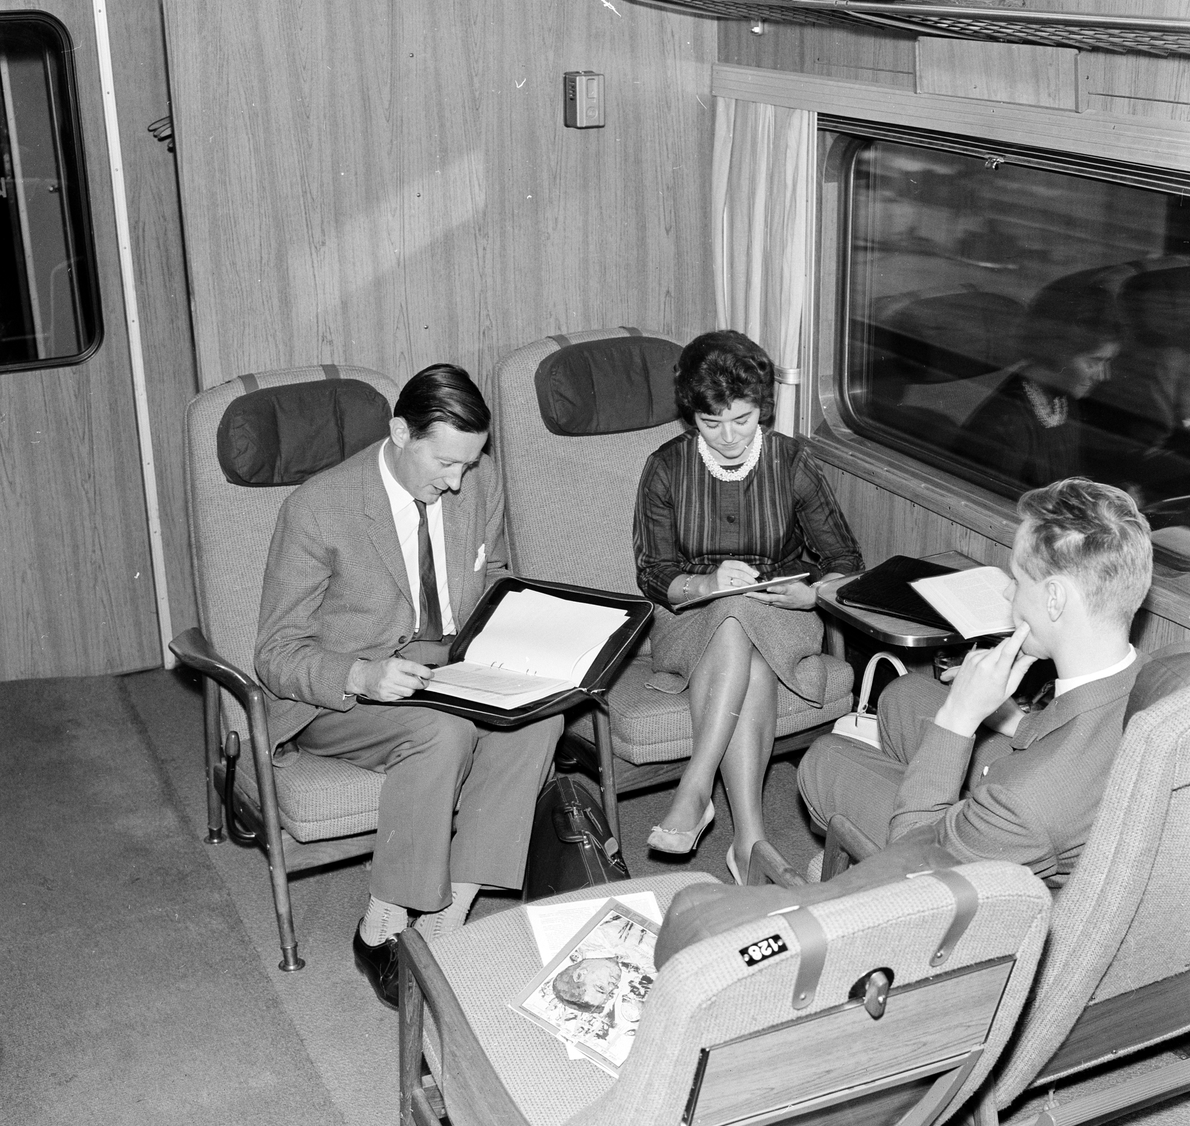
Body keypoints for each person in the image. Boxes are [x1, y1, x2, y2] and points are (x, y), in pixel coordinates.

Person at [254, 363, 561, 1008]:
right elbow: (275, 654)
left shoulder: (477, 479)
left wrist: (517, 645)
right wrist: (361, 675)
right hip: (345, 690)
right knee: (441, 732)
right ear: (400, 433)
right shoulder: (318, 509)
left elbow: (496, 578)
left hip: (450, 665)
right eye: (445, 464)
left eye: (468, 465)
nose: (457, 482)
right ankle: (382, 927)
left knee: (539, 717)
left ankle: (450, 920)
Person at [799, 477, 1153, 891]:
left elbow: (915, 863)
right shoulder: (1152, 675)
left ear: (1054, 599)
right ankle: (927, 790)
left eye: (1017, 580)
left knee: (827, 757)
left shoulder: (1025, 803)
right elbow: (1080, 728)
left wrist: (958, 717)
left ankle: (923, 821)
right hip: (1066, 782)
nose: (1008, 592)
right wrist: (1014, 719)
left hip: (962, 858)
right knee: (903, 695)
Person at [633, 330, 864, 882]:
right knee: (736, 630)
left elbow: (845, 559)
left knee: (741, 618)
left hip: (782, 613)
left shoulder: (791, 461)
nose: (730, 436)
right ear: (691, 416)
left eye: (743, 419)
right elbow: (653, 572)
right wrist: (706, 584)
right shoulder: (666, 467)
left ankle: (698, 789)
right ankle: (749, 841)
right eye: (711, 423)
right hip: (690, 618)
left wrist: (812, 593)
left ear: (762, 407)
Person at [953, 276, 1121, 488]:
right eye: (1094, 361)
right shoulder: (1005, 428)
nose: (1103, 375)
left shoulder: (1063, 402)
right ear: (1056, 351)